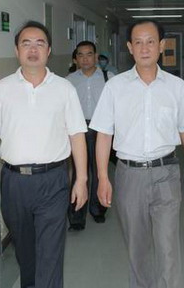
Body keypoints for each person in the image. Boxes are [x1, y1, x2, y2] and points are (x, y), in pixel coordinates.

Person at [0, 21, 88, 288]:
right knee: (26, 253)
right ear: (17, 51)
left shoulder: (64, 89)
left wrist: (81, 180)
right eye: (26, 44)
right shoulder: (2, 89)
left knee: (50, 252)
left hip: (53, 180)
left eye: (40, 44)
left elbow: (76, 136)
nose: (33, 50)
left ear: (49, 50)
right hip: (14, 181)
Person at [91, 20, 184, 288]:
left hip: (167, 173)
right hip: (129, 175)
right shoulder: (115, 87)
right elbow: (104, 134)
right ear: (130, 47)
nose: (144, 48)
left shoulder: (176, 87)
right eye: (138, 42)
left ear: (161, 46)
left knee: (168, 246)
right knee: (137, 247)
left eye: (150, 42)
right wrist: (103, 178)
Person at [66, 40, 114, 231]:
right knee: (79, 173)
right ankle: (76, 217)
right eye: (81, 55)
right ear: (76, 59)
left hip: (101, 129)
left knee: (100, 171)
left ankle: (98, 210)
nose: (85, 59)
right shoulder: (69, 81)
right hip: (78, 130)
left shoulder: (108, 78)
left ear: (95, 56)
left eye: (89, 54)